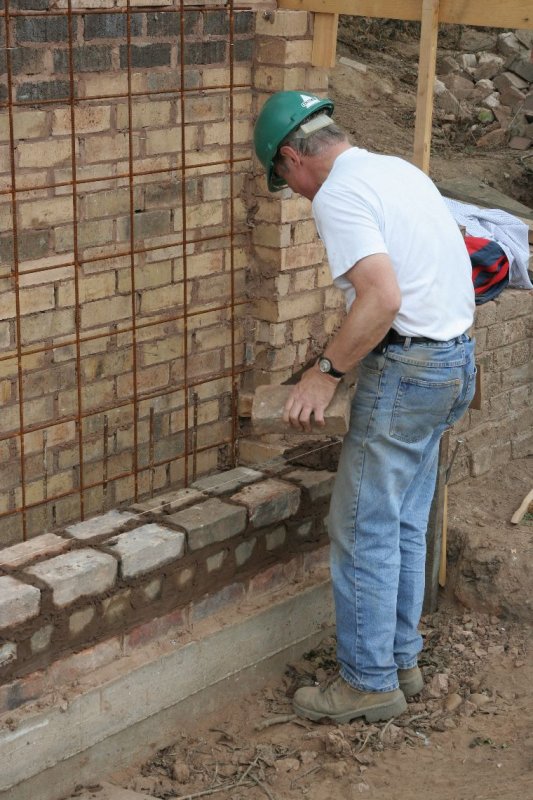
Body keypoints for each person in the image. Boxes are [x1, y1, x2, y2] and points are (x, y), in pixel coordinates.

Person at [253, 91, 477, 724]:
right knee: (403, 520)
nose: (293, 194)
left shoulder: (338, 195)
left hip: (408, 370)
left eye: (284, 179)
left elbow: (380, 298)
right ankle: (401, 661)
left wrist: (324, 374)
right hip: (453, 362)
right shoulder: (399, 171)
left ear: (294, 157)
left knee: (360, 529)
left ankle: (367, 683)